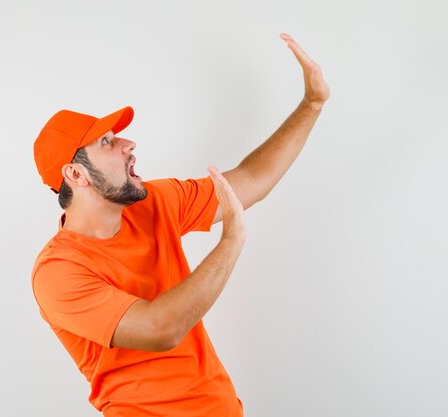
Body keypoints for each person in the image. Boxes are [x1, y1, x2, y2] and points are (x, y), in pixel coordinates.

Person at [31, 33, 329, 417]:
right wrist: (231, 241)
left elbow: (253, 179)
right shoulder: (58, 273)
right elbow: (160, 329)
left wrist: (312, 104)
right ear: (75, 173)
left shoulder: (153, 203)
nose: (128, 144)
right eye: (107, 143)